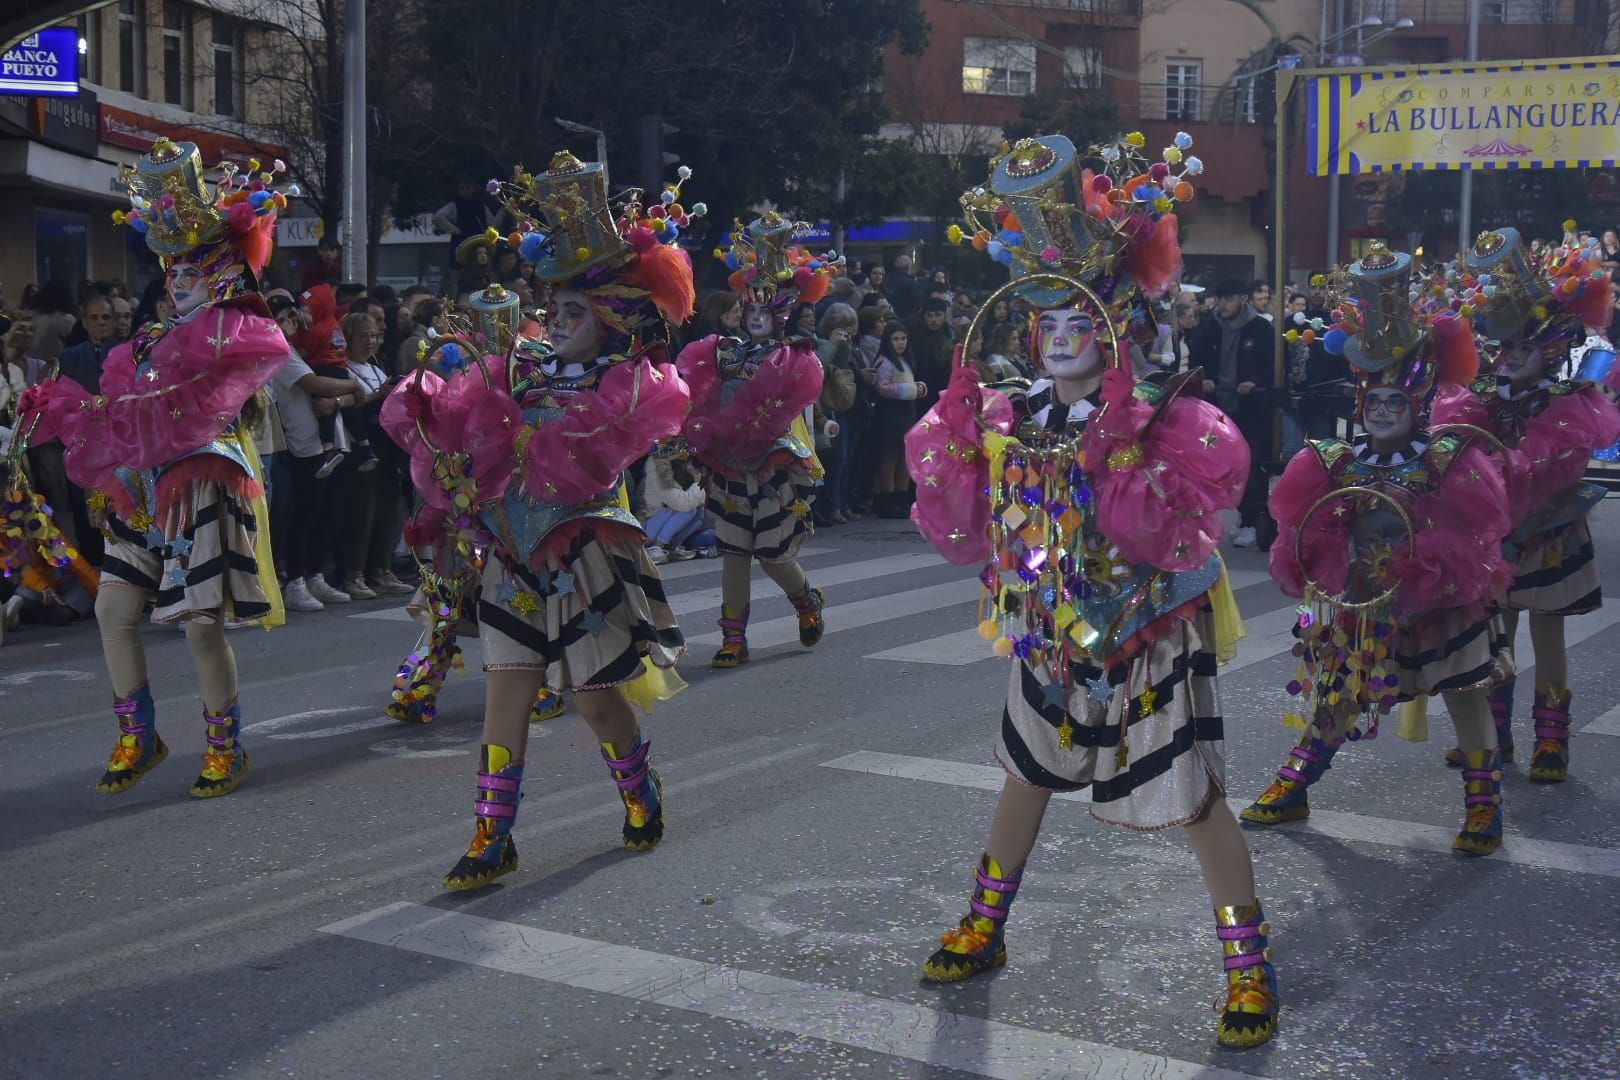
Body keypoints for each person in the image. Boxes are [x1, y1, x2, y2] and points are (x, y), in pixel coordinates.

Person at [913, 132, 1276, 1049]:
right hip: (1044, 625)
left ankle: (1247, 966)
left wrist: (1117, 450)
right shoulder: (1012, 412)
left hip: (1148, 627)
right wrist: (959, 433)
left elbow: (1165, 527)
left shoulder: (1163, 413)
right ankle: (984, 924)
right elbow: (968, 518)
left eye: (1083, 325)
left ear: (1116, 327)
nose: (1064, 341)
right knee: (1026, 773)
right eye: (1049, 328)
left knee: (1192, 794)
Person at [385, 152, 694, 889]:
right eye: (554, 311)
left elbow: (587, 461)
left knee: (593, 700)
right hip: (509, 552)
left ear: (611, 317)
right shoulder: (519, 370)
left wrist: (514, 433)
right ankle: (493, 835)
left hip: (583, 552)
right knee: (508, 688)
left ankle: (638, 787)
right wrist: (439, 414)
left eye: (574, 313)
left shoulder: (628, 383)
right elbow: (466, 431)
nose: (556, 324)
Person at [17, 138, 292, 799]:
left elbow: (258, 357)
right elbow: (119, 413)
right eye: (171, 273)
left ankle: (225, 744)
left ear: (220, 275)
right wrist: (60, 406)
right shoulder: (144, 340)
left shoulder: (232, 330)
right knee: (113, 611)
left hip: (201, 482)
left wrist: (219, 302)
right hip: (142, 487)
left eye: (191, 272)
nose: (175, 283)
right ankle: (139, 734)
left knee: (201, 625)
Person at [1242, 241, 1516, 859]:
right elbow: (1304, 528)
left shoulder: (1448, 457)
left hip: (1444, 601)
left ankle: (1483, 802)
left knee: (1465, 692)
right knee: (1339, 688)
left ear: (1419, 406)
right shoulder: (1335, 461)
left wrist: (1436, 560)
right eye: (1374, 404)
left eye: (1397, 403)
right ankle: (1299, 780)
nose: (1384, 413)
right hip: (1366, 604)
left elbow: (1481, 524)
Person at [1431, 225, 1620, 781]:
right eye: (1505, 346)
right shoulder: (1481, 397)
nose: (1511, 356)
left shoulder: (1566, 401)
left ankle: (1551, 739)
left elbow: (1563, 461)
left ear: (1550, 349)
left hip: (1551, 528)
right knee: (1498, 632)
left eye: (1523, 347)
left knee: (1548, 629)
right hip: (1498, 533)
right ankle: (1495, 736)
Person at [677, 210, 829, 668]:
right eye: (751, 309)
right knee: (733, 552)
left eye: (766, 310)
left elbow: (789, 404)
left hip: (771, 462)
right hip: (727, 463)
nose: (756, 317)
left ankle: (805, 602)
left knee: (771, 552)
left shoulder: (793, 356)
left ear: (780, 314)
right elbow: (701, 398)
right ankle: (734, 639)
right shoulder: (724, 350)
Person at [266, 294, 364, 613]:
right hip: (298, 446)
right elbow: (315, 385)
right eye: (280, 319)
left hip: (315, 442)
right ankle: (295, 581)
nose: (288, 324)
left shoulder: (298, 347)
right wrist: (350, 387)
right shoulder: (277, 353)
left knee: (321, 513)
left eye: (291, 317)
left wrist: (344, 396)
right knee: (302, 516)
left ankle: (314, 575)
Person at [1188, 277, 1276, 548]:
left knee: (1252, 463)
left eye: (1230, 299)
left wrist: (1256, 383)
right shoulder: (1209, 328)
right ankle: (1228, 515)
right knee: (1218, 465)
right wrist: (1202, 380)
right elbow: (1195, 362)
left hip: (1250, 408)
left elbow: (1272, 365)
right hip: (1216, 409)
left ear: (1243, 299)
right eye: (1221, 298)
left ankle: (1252, 518)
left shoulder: (1261, 328)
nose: (1224, 304)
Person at [871, 321, 924, 517]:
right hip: (890, 414)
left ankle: (901, 496)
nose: (900, 343)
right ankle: (887, 498)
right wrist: (910, 390)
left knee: (904, 456)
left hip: (906, 412)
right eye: (895, 339)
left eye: (903, 339)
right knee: (890, 456)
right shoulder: (885, 361)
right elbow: (882, 387)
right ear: (887, 341)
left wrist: (919, 387)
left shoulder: (905, 360)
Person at [57, 295, 118, 394]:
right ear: (84, 323)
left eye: (106, 317)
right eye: (94, 318)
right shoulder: (68, 357)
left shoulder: (127, 355)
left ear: (114, 321)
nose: (101, 322)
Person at [905, 295, 954, 415]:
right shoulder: (917, 339)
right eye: (929, 315)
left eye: (938, 315)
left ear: (944, 316)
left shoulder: (948, 335)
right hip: (923, 394)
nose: (933, 320)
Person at [886, 252, 923, 320]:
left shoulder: (884, 280)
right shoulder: (911, 283)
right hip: (906, 320)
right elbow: (918, 303)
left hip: (887, 319)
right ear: (907, 267)